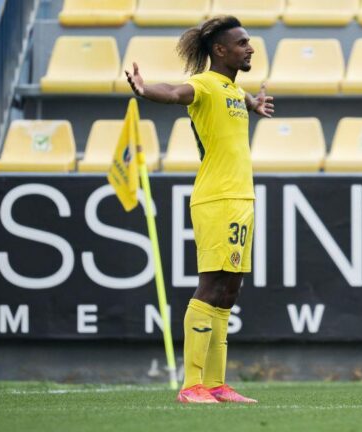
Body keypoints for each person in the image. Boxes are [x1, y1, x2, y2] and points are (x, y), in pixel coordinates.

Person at [125, 16, 274, 404]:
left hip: (242, 199)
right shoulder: (206, 85)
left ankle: (216, 383)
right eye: (241, 43)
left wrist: (253, 103)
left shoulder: (230, 88)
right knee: (210, 286)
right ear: (220, 51)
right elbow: (175, 91)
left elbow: (235, 98)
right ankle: (191, 385)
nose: (250, 48)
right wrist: (144, 90)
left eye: (249, 42)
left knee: (230, 290)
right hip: (217, 198)